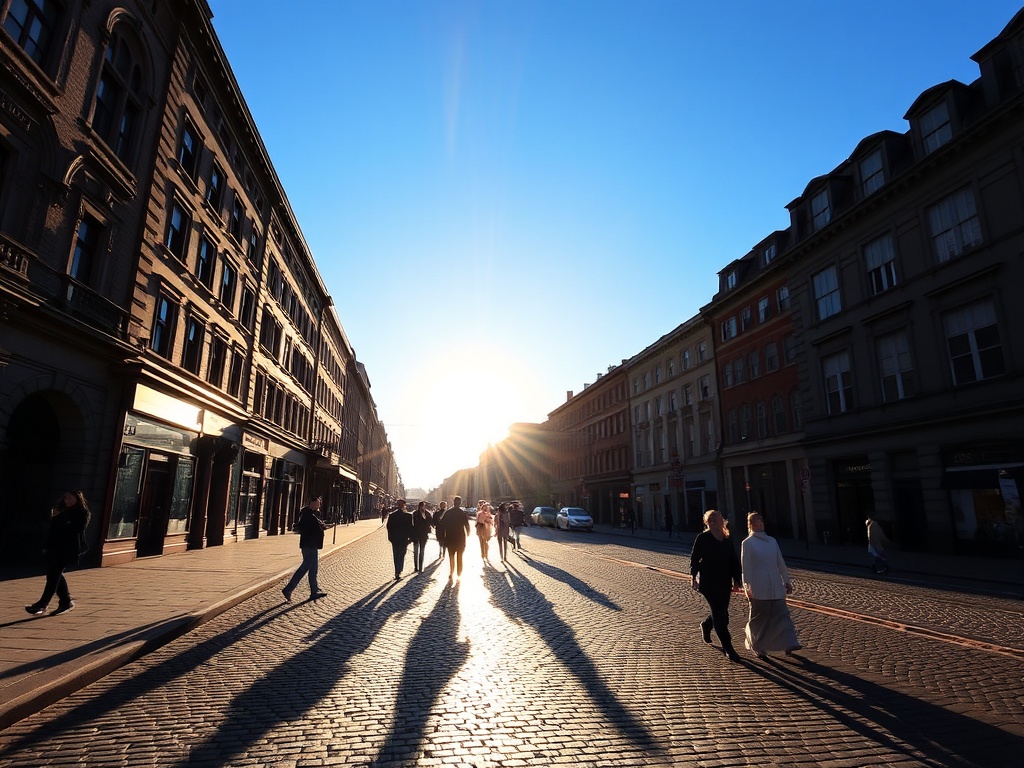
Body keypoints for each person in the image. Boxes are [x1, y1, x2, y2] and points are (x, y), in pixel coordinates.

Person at [741, 512, 801, 660]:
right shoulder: (747, 543)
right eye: (755, 522)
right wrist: (747, 586)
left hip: (775, 583)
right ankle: (757, 644)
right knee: (759, 617)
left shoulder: (772, 541)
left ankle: (789, 642)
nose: (759, 524)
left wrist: (786, 580)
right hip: (758, 585)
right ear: (750, 525)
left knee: (782, 614)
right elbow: (746, 567)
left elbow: (780, 562)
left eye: (760, 521)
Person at [689, 509, 743, 662]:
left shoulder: (727, 538)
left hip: (724, 580)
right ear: (706, 522)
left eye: (715, 518)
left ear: (722, 521)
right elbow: (694, 559)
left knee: (721, 610)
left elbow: (733, 560)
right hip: (708, 581)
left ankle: (706, 624)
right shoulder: (702, 538)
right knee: (721, 615)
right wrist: (693, 577)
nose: (712, 521)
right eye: (709, 519)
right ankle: (728, 648)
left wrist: (737, 580)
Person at [26, 491, 91, 616]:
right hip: (55, 547)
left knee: (54, 574)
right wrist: (46, 545)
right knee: (54, 574)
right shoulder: (60, 511)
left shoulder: (83, 512)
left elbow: (76, 529)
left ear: (78, 499)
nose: (67, 499)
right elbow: (52, 530)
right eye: (66, 497)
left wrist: (59, 518)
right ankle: (66, 601)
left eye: (70, 497)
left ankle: (43, 604)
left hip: (69, 548)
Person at [282, 497, 328, 602]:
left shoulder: (311, 515)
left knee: (313, 569)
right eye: (317, 504)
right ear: (311, 504)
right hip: (309, 546)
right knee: (305, 567)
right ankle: (288, 589)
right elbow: (314, 528)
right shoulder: (308, 515)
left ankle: (314, 590)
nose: (318, 506)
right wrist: (321, 526)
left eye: (319, 504)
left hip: (311, 545)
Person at [439, 495, 471, 581]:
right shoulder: (462, 513)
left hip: (450, 537)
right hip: (460, 537)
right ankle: (459, 572)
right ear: (460, 503)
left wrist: (441, 537)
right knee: (460, 556)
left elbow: (442, 525)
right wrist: (468, 532)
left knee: (451, 556)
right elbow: (466, 524)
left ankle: (452, 571)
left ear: (453, 502)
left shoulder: (448, 513)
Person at [386, 499, 414, 580]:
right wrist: (411, 538)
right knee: (401, 555)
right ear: (404, 506)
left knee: (396, 555)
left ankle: (397, 571)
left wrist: (390, 537)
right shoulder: (408, 516)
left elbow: (389, 527)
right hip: (403, 539)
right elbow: (411, 528)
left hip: (395, 539)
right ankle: (399, 570)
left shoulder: (392, 515)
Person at [411, 501, 432, 573]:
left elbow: (430, 523)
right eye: (421, 506)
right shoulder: (415, 514)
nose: (422, 507)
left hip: (423, 535)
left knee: (422, 551)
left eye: (423, 506)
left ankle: (420, 567)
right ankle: (416, 567)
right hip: (416, 535)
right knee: (416, 551)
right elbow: (412, 524)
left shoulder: (428, 514)